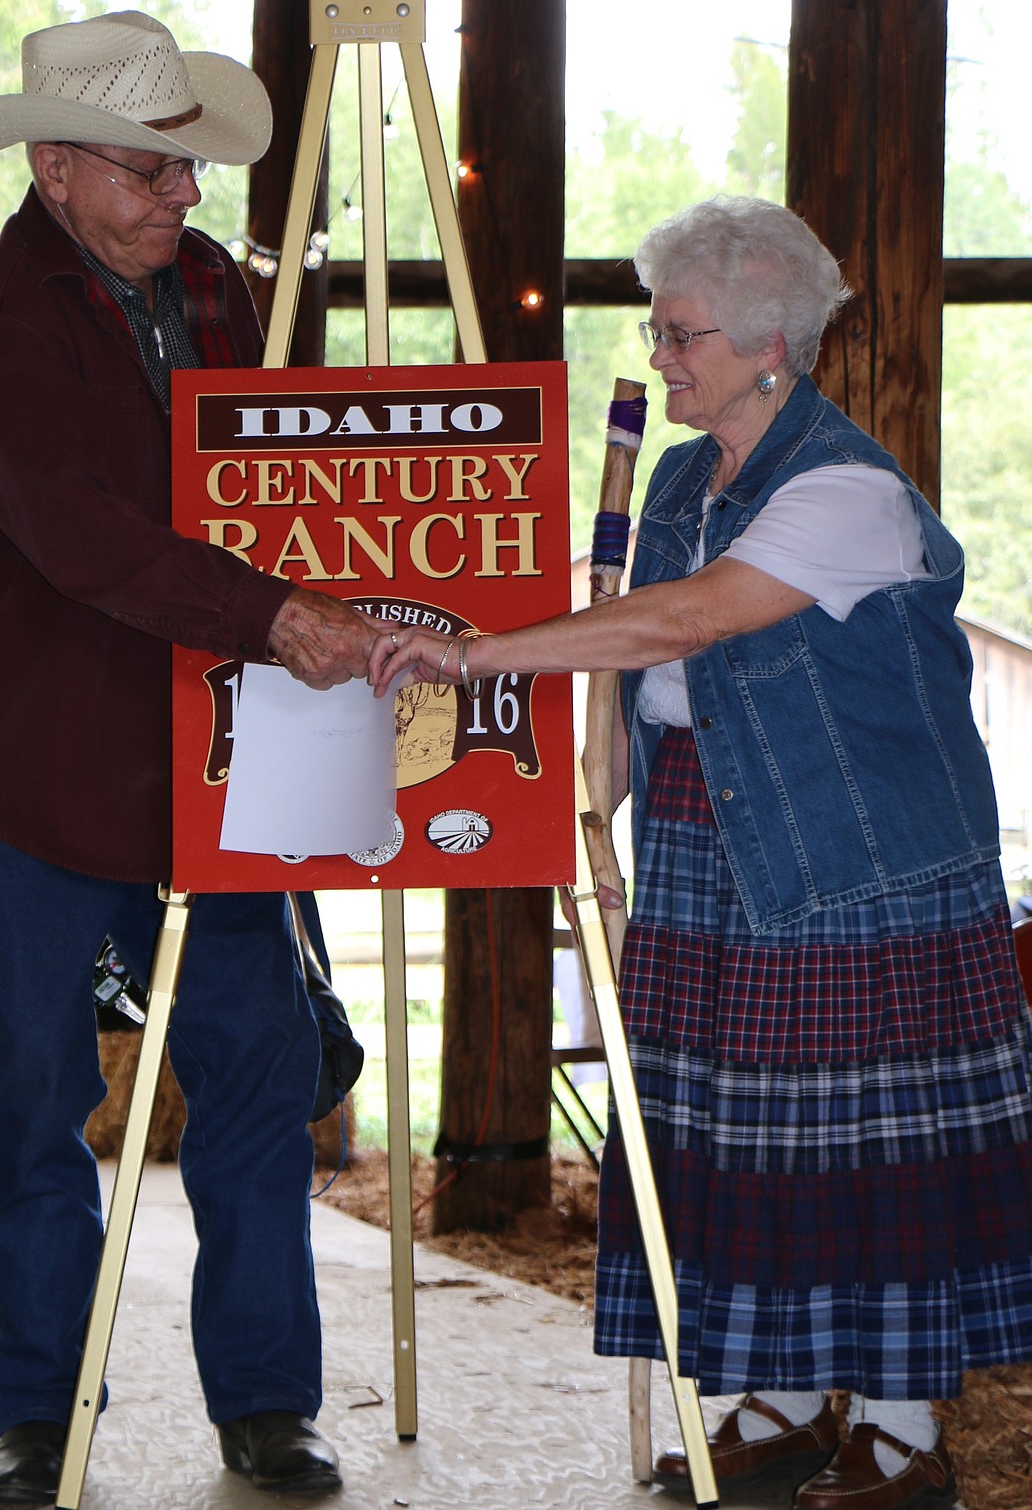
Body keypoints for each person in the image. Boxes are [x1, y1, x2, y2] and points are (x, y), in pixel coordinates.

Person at [371, 196, 1032, 1510]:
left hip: (856, 861)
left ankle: (900, 1441)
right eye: (656, 329)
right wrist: (603, 822)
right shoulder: (683, 479)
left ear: (767, 341)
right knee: (728, 1144)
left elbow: (686, 619)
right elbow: (644, 668)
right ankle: (779, 1407)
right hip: (700, 841)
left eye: (680, 333)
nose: (658, 354)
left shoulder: (841, 487)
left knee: (859, 1157)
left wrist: (468, 651)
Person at [0, 12, 379, 1504]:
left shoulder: (218, 292)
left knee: (259, 1070)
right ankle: (41, 1411)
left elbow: (273, 479)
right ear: (54, 171)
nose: (184, 198)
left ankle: (264, 1402)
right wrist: (273, 609)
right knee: (37, 1095)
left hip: (214, 769)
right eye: (150, 171)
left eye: (185, 172)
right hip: (33, 772)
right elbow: (81, 536)